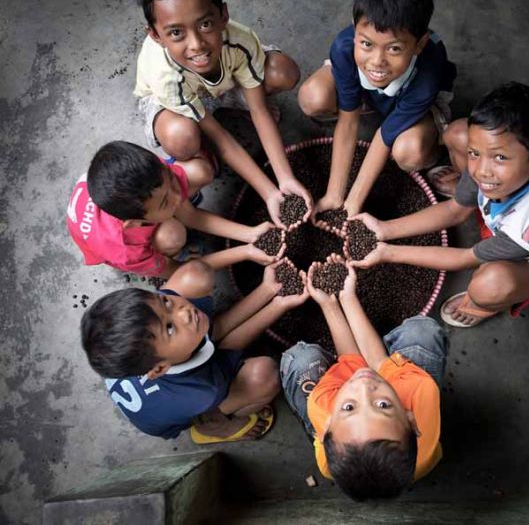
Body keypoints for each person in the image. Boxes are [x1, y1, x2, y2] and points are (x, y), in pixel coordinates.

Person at [347, 82, 529, 327]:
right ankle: (475, 195)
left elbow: (466, 257)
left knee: (489, 284)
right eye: (475, 154)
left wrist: (387, 252)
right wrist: (382, 229)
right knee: (458, 134)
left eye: (500, 157)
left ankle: (485, 306)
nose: (482, 171)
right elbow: (454, 211)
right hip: (511, 207)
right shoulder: (504, 171)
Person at [134, 0, 312, 228]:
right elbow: (219, 135)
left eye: (205, 25)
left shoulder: (240, 42)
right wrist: (267, 192)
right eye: (176, 33)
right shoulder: (165, 77)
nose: (196, 44)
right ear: (156, 37)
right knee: (181, 138)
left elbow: (259, 111)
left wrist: (284, 180)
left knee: (282, 72)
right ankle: (198, 137)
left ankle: (227, 99)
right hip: (174, 96)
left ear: (223, 16)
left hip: (221, 79)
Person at [81, 258, 309, 441]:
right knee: (263, 377)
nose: (183, 312)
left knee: (195, 290)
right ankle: (214, 428)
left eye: (166, 302)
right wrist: (280, 305)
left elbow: (215, 332)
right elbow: (228, 347)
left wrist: (268, 290)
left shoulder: (157, 331)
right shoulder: (202, 391)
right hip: (188, 407)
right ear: (160, 368)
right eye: (170, 328)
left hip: (174, 372)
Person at [298, 0, 456, 229]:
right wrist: (335, 195)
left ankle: (433, 148)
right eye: (367, 44)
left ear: (419, 44)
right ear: (354, 26)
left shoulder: (428, 73)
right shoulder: (344, 47)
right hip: (373, 94)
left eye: (394, 48)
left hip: (416, 103)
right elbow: (348, 121)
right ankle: (373, 103)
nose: (377, 61)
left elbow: (384, 137)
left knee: (408, 151)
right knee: (313, 97)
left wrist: (353, 203)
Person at [280, 255, 447, 500]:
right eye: (383, 405)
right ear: (412, 422)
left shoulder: (322, 405)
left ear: (326, 428)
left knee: (300, 359)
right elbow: (376, 364)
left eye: (349, 407)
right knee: (423, 332)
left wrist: (329, 305)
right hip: (415, 441)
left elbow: (352, 361)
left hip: (353, 415)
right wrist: (348, 297)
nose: (364, 387)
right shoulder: (421, 391)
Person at [67, 141, 280, 279]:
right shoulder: (128, 252)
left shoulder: (149, 174)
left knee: (200, 171)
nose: (178, 197)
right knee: (172, 236)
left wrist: (251, 234)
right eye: (164, 203)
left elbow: (192, 215)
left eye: (172, 183)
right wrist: (245, 251)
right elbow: (178, 272)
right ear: (135, 222)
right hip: (106, 241)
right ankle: (164, 241)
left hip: (127, 207)